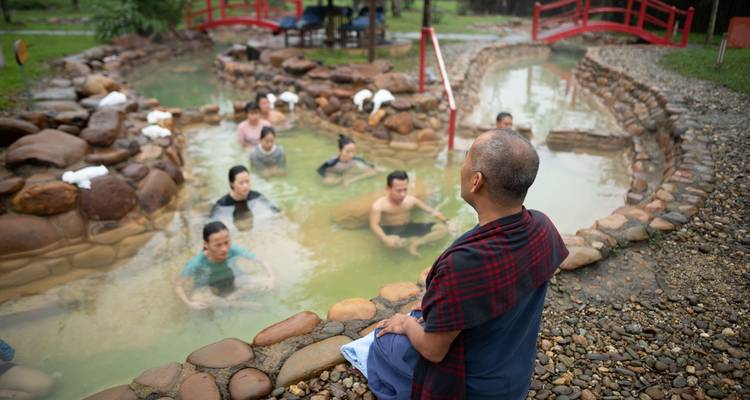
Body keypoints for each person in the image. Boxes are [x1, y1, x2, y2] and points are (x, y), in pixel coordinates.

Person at [374, 129, 569, 399]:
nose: (462, 166)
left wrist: (406, 324)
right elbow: (510, 284)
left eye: (467, 158)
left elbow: (434, 350)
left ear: (476, 181)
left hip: (474, 388)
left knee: (383, 342)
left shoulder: (463, 265)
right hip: (517, 374)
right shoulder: (543, 227)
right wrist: (447, 302)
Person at [175, 221, 275, 310]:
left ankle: (230, 300)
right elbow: (178, 285)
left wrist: (272, 278)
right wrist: (189, 304)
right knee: (196, 299)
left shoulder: (233, 249)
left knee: (267, 283)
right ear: (206, 244)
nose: (224, 249)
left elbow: (262, 261)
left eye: (226, 242)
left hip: (233, 280)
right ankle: (239, 304)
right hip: (208, 287)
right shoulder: (197, 262)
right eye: (218, 245)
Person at [369, 171, 449, 257]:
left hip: (409, 226)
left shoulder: (410, 200)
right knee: (392, 243)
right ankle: (418, 241)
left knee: (443, 229)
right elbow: (374, 225)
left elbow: (431, 211)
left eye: (405, 189)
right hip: (392, 231)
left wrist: (446, 221)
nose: (403, 194)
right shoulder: (378, 205)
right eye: (399, 191)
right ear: (388, 189)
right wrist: (385, 239)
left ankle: (417, 243)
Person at [210, 165, 280, 227]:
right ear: (232, 184)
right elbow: (211, 222)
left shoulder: (256, 196)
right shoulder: (222, 204)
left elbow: (275, 210)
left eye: (247, 181)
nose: (246, 186)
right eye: (241, 183)